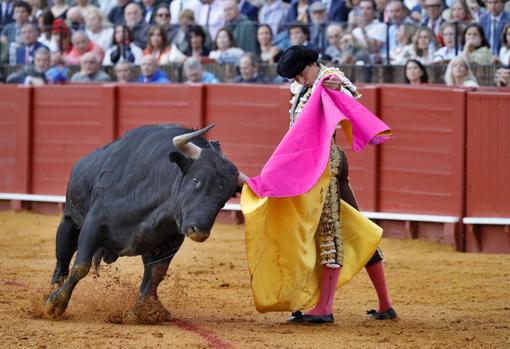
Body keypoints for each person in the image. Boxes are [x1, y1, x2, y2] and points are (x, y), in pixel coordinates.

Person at [243, 45, 396, 325]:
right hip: (314, 166)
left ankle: (324, 308)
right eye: (295, 77)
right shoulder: (302, 88)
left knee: (327, 230)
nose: (298, 80)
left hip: (325, 167)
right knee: (356, 228)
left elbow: (347, 95)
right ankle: (385, 304)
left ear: (313, 64)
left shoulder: (330, 77)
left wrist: (337, 91)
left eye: (301, 74)